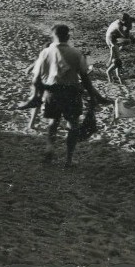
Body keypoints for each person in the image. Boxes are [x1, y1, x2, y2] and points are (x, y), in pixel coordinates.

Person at [21, 24, 111, 166]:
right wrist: (94, 96)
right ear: (68, 37)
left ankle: (49, 150)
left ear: (53, 36)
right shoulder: (76, 53)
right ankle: (68, 159)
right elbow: (85, 78)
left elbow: (36, 78)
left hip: (52, 92)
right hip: (71, 93)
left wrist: (36, 96)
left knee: (53, 123)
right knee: (72, 125)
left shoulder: (45, 52)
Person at [105, 13, 135, 85]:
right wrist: (128, 29)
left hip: (115, 61)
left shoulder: (113, 46)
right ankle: (121, 83)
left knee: (108, 72)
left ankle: (111, 82)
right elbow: (124, 35)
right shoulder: (118, 26)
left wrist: (109, 62)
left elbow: (112, 53)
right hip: (118, 60)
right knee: (118, 75)